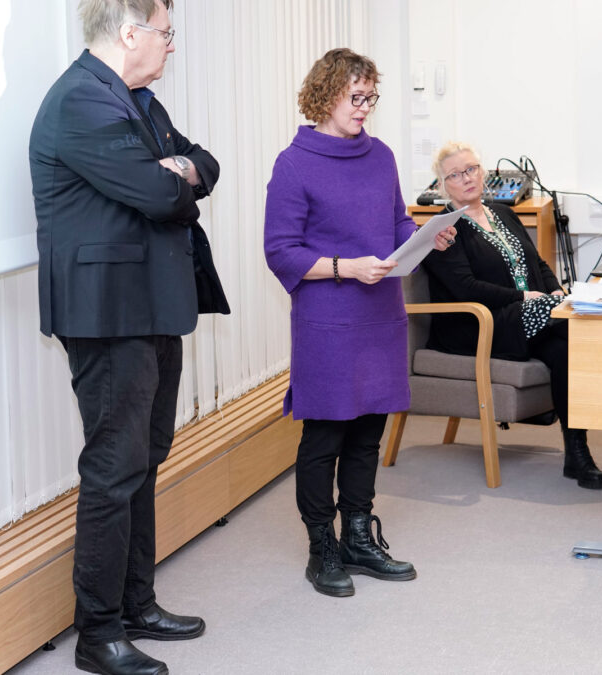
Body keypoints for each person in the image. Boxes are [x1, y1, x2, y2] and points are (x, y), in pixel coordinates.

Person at [29, 1, 229, 673]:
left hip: (152, 302)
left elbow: (205, 163)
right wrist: (172, 176)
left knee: (145, 454)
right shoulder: (83, 101)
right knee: (115, 468)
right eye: (166, 33)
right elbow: (162, 195)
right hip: (107, 312)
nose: (172, 46)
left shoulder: (137, 101)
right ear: (129, 32)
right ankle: (99, 631)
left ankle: (138, 602)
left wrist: (182, 169)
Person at [263, 48, 456, 598]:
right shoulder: (294, 163)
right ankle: (321, 546)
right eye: (357, 97)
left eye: (372, 97)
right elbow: (281, 252)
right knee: (325, 436)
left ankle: (358, 537)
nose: (365, 107)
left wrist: (423, 235)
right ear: (325, 95)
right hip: (328, 318)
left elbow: (394, 221)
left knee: (369, 432)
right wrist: (346, 268)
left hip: (380, 315)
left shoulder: (381, 156)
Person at [421, 142, 602, 490]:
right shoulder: (442, 231)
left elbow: (537, 263)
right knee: (565, 320)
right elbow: (465, 288)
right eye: (455, 174)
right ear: (442, 186)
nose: (467, 178)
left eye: (472, 169)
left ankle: (577, 453)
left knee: (566, 349)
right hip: (477, 324)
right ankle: (561, 315)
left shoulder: (503, 213)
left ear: (483, 172)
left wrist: (553, 291)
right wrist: (525, 296)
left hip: (527, 318)